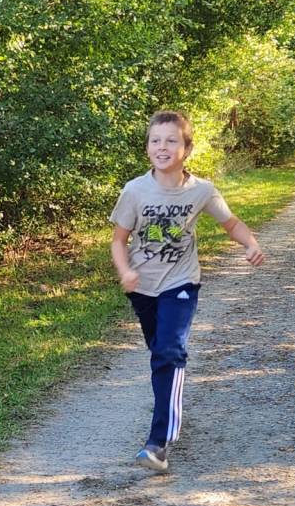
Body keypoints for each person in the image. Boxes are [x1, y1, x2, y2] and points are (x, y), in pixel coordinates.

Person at [110, 109, 264, 474]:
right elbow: (118, 240)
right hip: (142, 287)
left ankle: (159, 442)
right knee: (159, 354)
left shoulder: (201, 190)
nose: (162, 147)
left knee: (170, 351)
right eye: (155, 141)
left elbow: (231, 223)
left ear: (187, 149)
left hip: (181, 283)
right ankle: (167, 408)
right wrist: (125, 270)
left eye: (171, 141)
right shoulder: (134, 191)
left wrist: (250, 243)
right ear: (147, 147)